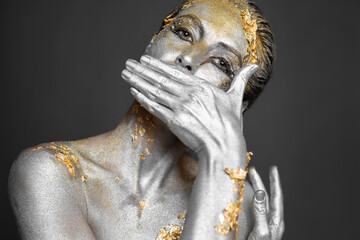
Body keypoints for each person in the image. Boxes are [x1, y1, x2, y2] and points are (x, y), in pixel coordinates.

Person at [8, 0, 285, 239]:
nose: (189, 58)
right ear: (153, 41)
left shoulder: (240, 200)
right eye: (184, 32)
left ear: (237, 107)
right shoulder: (51, 173)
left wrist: (225, 156)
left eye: (221, 63)